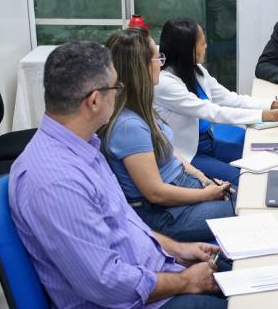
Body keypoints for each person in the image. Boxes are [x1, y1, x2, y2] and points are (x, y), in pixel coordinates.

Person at [8, 41, 227, 309]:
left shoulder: (83, 147)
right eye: (116, 87)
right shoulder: (56, 181)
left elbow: (126, 225)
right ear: (95, 101)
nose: (120, 93)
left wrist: (179, 250)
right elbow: (108, 283)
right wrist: (187, 281)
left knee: (245, 273)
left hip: (150, 284)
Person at [101, 28, 235, 243]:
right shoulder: (128, 126)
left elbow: (173, 153)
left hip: (182, 189)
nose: (161, 63)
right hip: (166, 215)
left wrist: (204, 180)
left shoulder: (142, 108)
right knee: (246, 209)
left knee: (246, 198)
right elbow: (156, 194)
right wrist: (206, 194)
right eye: (157, 57)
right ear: (141, 67)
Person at [155, 18, 278, 183]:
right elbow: (213, 112)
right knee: (242, 178)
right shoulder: (165, 84)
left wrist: (273, 104)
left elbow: (230, 98)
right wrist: (271, 115)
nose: (206, 46)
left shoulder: (196, 70)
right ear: (186, 49)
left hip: (208, 142)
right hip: (189, 154)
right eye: (201, 43)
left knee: (262, 159)